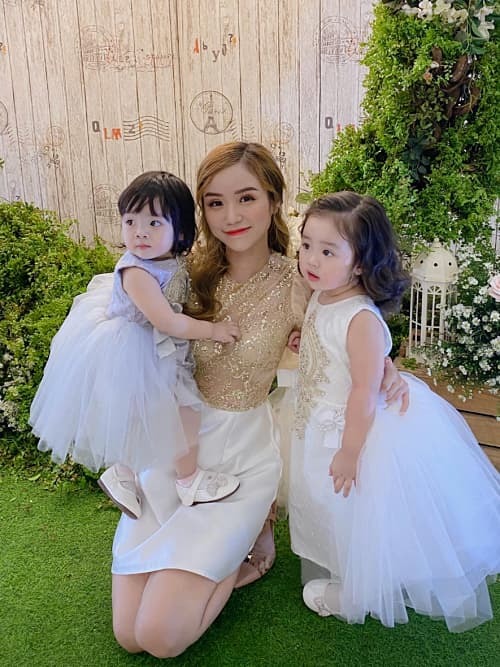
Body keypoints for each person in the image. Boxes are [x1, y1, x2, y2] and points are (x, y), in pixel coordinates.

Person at [104, 144, 407, 658]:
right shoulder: (183, 271)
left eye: (246, 198)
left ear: (273, 200)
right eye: (215, 203)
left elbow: (349, 327)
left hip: (240, 461)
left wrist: (387, 366)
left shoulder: (299, 281)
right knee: (128, 635)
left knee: (159, 638)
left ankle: (242, 541)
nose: (232, 216)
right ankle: (213, 550)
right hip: (176, 448)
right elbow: (130, 319)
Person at [289, 191, 500, 633]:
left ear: (360, 263)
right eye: (307, 244)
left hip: (352, 431)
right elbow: (335, 355)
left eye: (328, 251)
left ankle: (358, 590)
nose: (311, 259)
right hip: (319, 419)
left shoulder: (360, 318)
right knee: (326, 502)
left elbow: (363, 391)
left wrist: (350, 451)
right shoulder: (323, 294)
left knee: (352, 510)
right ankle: (340, 565)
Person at [30, 171, 241, 518]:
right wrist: (213, 330)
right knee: (144, 415)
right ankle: (131, 474)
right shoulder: (137, 273)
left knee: (178, 413)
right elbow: (167, 321)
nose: (139, 232)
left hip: (160, 348)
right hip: (135, 350)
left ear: (181, 231)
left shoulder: (171, 258)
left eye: (154, 222)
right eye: (130, 221)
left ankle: (178, 478)